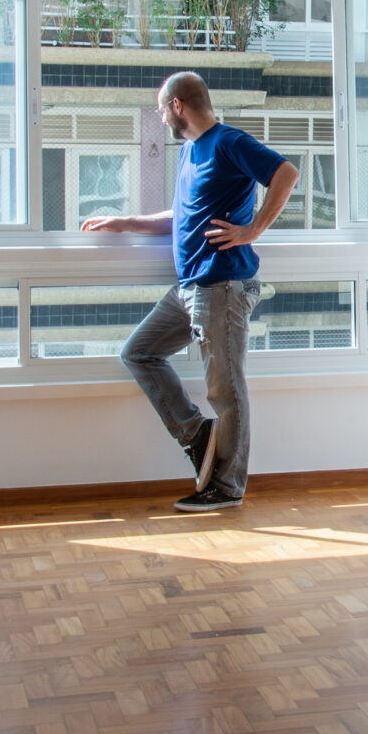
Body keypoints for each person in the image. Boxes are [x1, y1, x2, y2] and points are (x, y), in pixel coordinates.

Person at [82, 71, 297, 511]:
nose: (161, 118)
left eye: (162, 109)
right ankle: (198, 435)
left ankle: (227, 487)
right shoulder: (189, 152)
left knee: (226, 390)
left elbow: (286, 173)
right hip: (191, 287)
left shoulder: (228, 141)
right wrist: (125, 222)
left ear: (178, 105)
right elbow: (181, 215)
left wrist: (253, 229)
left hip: (223, 285)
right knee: (139, 352)